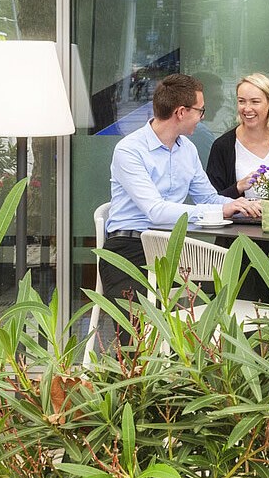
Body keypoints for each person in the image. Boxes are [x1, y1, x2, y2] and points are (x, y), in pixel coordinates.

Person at [101, 73, 260, 305]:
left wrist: (241, 205)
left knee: (239, 279)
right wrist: (219, 211)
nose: (202, 117)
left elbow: (208, 198)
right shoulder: (129, 150)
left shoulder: (187, 149)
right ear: (181, 112)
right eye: (200, 111)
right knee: (141, 325)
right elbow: (155, 211)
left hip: (172, 249)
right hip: (130, 249)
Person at [205, 72, 269, 199]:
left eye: (255, 102)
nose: (247, 108)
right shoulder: (222, 146)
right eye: (242, 101)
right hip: (238, 213)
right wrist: (238, 187)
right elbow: (211, 200)